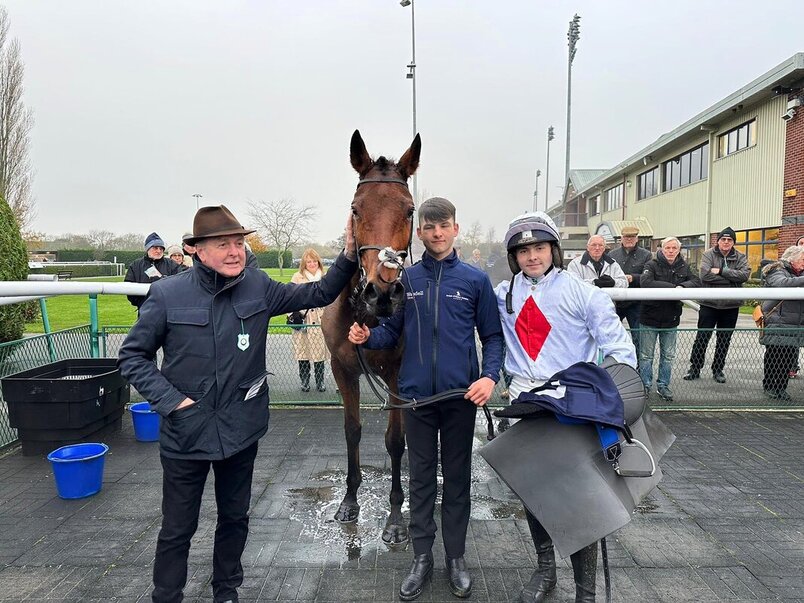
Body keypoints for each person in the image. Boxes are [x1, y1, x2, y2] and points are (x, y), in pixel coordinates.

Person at [117, 206, 357, 603]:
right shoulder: (166, 294)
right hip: (186, 433)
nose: (234, 251)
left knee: (234, 519)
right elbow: (132, 357)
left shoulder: (259, 286)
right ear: (197, 250)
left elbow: (320, 292)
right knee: (178, 527)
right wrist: (173, 402)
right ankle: (167, 595)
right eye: (223, 244)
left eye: (240, 242)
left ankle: (226, 591)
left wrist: (348, 253)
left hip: (240, 429)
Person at [348, 197, 503, 601]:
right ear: (419, 233)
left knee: (456, 482)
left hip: (459, 398)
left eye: (443, 226)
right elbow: (392, 332)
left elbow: (492, 337)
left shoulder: (475, 280)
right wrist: (368, 336)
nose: (436, 233)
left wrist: (488, 376)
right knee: (420, 480)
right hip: (415, 400)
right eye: (429, 227)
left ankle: (455, 558)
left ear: (455, 229)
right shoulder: (407, 279)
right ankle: (421, 558)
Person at [493, 211, 636, 603]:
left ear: (553, 249)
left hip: (571, 409)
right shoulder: (505, 293)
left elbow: (621, 349)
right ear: (514, 256)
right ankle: (545, 572)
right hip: (526, 405)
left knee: (578, 503)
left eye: (539, 248)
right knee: (534, 496)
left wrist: (615, 394)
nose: (532, 256)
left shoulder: (581, 291)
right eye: (523, 251)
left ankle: (585, 593)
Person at [682, 227, 749, 384]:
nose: (726, 242)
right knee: (702, 337)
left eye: (729, 240)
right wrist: (732, 281)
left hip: (731, 306)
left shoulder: (740, 256)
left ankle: (718, 369)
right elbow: (704, 276)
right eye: (723, 239)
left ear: (733, 242)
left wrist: (720, 271)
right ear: (718, 241)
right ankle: (695, 368)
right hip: (709, 304)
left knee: (724, 339)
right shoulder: (708, 254)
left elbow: (744, 275)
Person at [639, 237, 700, 401]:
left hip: (671, 318)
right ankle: (645, 384)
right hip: (649, 317)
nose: (671, 251)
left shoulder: (684, 267)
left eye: (674, 248)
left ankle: (663, 385)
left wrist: (683, 287)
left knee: (668, 356)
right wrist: (674, 288)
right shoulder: (651, 265)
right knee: (646, 355)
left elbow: (696, 281)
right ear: (662, 249)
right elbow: (646, 283)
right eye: (668, 248)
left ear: (678, 250)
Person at [760, 245, 804, 400]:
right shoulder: (776, 270)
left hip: (795, 323)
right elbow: (783, 283)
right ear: (792, 258)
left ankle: (781, 388)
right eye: (802, 259)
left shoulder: (799, 273)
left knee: (789, 357)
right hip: (777, 321)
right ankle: (769, 385)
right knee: (774, 355)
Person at [290, 248, 330, 392]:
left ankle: (320, 381)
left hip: (320, 319)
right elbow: (289, 297)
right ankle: (305, 381)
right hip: (303, 318)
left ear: (318, 262)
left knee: (319, 353)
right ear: (304, 264)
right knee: (303, 352)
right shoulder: (297, 277)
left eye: (314, 261)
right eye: (309, 262)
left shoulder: (325, 277)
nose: (312, 264)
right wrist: (293, 314)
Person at [609, 226, 652, 357]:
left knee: (638, 337)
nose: (629, 240)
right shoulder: (612, 255)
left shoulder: (646, 255)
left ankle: (637, 365)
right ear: (621, 238)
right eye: (626, 237)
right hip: (616, 302)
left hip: (636, 303)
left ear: (637, 239)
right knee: (611, 335)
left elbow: (648, 276)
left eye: (632, 237)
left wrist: (633, 278)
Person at [124, 232, 183, 313]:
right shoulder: (135, 265)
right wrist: (142, 303)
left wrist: (161, 278)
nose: (158, 251)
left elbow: (179, 285)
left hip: (168, 312)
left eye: (161, 248)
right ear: (148, 248)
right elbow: (129, 288)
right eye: (155, 248)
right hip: (144, 310)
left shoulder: (172, 265)